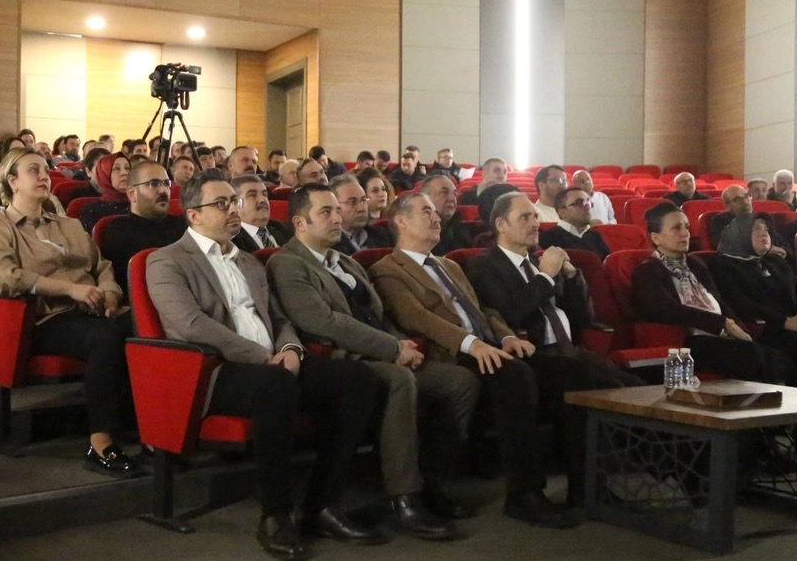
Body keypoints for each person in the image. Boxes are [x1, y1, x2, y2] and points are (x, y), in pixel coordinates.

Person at [147, 171, 386, 560]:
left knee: (356, 378)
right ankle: (276, 514)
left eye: (234, 202)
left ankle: (322, 504)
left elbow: (277, 317)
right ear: (193, 215)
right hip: (213, 371)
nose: (233, 210)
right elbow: (190, 325)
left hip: (273, 364)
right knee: (275, 385)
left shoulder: (249, 261)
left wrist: (290, 348)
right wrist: (263, 358)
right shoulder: (166, 260)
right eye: (221, 204)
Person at [269, 184, 476, 533]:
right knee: (399, 380)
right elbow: (323, 322)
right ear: (300, 223)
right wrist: (392, 349)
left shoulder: (346, 261)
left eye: (337, 210)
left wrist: (401, 343)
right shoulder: (287, 262)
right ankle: (405, 496)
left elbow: (378, 316)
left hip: (384, 350)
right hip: (345, 359)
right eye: (326, 212)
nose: (337, 218)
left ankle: (432, 480)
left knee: (461, 382)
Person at [369, 192, 577, 527]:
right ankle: (524, 494)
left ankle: (585, 486)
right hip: (451, 354)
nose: (436, 217)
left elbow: (484, 311)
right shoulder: (387, 269)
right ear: (401, 221)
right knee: (516, 376)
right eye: (426, 211)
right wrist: (473, 344)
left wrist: (506, 336)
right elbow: (418, 318)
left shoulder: (449, 265)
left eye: (435, 212)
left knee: (568, 371)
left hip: (489, 347)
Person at [466, 193, 643, 504]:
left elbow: (582, 318)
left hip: (568, 348)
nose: (535, 223)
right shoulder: (484, 265)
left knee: (634, 387)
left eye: (535, 216)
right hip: (532, 354)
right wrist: (546, 277)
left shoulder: (538, 262)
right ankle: (587, 490)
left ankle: (675, 471)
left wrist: (572, 277)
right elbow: (510, 314)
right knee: (586, 382)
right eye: (525, 217)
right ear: (501, 225)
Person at [0, 149, 137, 477]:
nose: (43, 176)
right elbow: (6, 277)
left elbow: (102, 266)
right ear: (12, 181)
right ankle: (100, 442)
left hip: (92, 309)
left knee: (151, 325)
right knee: (106, 337)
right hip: (44, 317)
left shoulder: (69, 225)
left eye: (45, 170)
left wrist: (109, 294)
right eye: (33, 170)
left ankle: (156, 432)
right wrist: (70, 289)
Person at [632, 202, 797, 385]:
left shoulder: (696, 263)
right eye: (676, 228)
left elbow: (718, 301)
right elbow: (666, 310)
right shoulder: (647, 271)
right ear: (655, 238)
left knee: (776, 355)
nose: (685, 233)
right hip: (689, 340)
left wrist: (739, 327)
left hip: (720, 333)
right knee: (757, 358)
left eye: (686, 227)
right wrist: (722, 323)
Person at [712, 213, 797, 391]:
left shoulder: (776, 263)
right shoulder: (724, 267)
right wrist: (786, 322)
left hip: (796, 329)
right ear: (740, 234)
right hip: (763, 332)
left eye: (767, 229)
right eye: (756, 229)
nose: (764, 233)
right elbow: (740, 305)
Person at [97, 160, 187, 297]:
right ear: (132, 193)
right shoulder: (118, 231)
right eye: (153, 184)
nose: (163, 190)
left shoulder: (183, 224)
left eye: (166, 184)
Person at [539, 187, 610, 261]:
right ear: (563, 212)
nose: (587, 206)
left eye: (588, 202)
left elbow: (607, 264)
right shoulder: (547, 238)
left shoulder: (594, 236)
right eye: (579, 203)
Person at [330, 173, 392, 254]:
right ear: (334, 206)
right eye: (352, 202)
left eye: (363, 200)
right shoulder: (329, 245)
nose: (362, 208)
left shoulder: (382, 236)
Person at [230, 174, 291, 253]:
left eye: (264, 194)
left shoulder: (283, 228)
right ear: (236, 204)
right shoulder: (232, 240)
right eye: (252, 195)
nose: (263, 199)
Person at [419, 173, 477, 255]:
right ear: (425, 197)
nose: (452, 199)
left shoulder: (465, 233)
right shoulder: (413, 233)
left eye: (455, 193)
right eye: (444, 192)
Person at [79, 152, 131, 234]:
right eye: (116, 169)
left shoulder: (142, 204)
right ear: (104, 174)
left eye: (127, 168)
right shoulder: (93, 210)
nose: (124, 173)